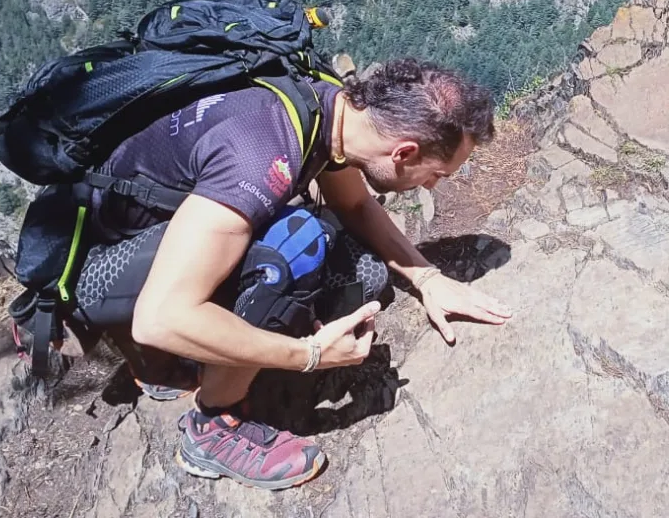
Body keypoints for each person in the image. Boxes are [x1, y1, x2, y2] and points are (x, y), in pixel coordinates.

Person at [65, 57, 513, 490]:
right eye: (437, 174)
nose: (434, 185)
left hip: (163, 235)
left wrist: (427, 278)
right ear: (403, 152)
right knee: (296, 245)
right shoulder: (261, 155)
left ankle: (185, 354)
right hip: (102, 267)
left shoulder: (330, 109)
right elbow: (160, 315)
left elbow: (354, 204)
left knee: (361, 279)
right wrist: (310, 354)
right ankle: (211, 426)